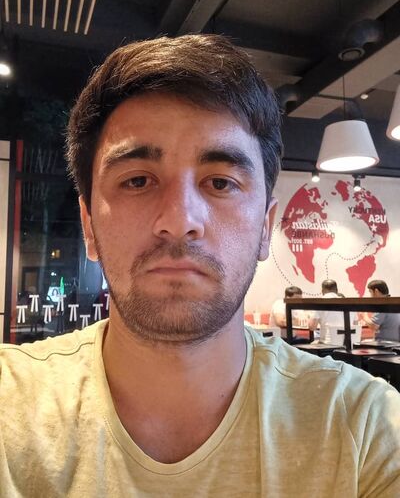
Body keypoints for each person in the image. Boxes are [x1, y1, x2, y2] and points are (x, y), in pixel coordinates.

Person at [0, 35, 399, 497]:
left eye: (221, 183)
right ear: (89, 225)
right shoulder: (11, 405)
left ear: (265, 227)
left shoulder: (363, 426)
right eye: (137, 181)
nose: (179, 220)